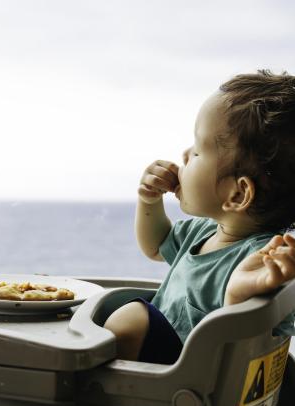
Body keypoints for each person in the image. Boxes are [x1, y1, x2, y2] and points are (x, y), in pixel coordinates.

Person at [104, 69, 295, 364]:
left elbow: (248, 336)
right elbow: (155, 245)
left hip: (185, 384)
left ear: (236, 194)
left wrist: (241, 293)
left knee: (130, 318)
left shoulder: (261, 259)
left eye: (197, 151)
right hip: (172, 374)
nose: (184, 154)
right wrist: (149, 200)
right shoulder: (202, 232)